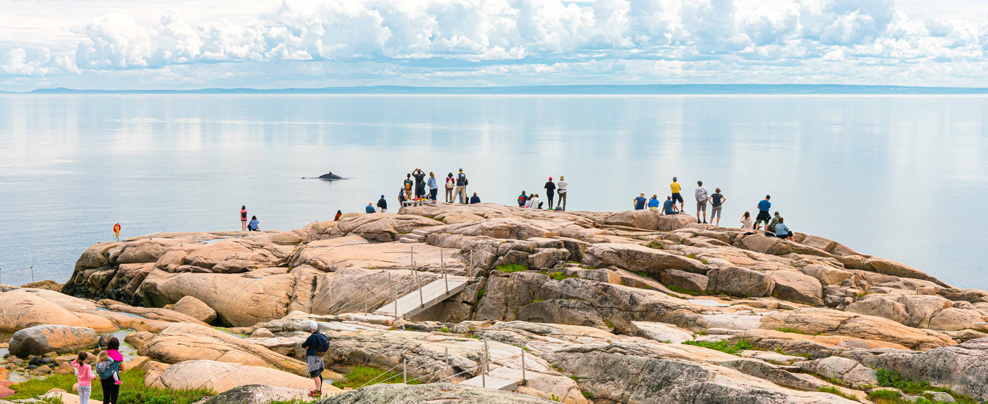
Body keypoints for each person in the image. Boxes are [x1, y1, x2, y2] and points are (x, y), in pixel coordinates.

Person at [300, 321, 330, 398]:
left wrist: (308, 346)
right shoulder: (320, 335)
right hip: (319, 356)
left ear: (310, 328)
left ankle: (318, 391)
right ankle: (319, 389)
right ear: (317, 327)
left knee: (315, 374)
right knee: (318, 373)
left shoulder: (312, 337)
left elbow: (303, 345)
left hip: (313, 357)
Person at [96, 337, 123, 404]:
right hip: (114, 379)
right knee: (114, 400)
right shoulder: (119, 356)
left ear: (108, 345)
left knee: (106, 398)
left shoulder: (104, 354)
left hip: (104, 379)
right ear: (117, 346)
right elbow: (124, 369)